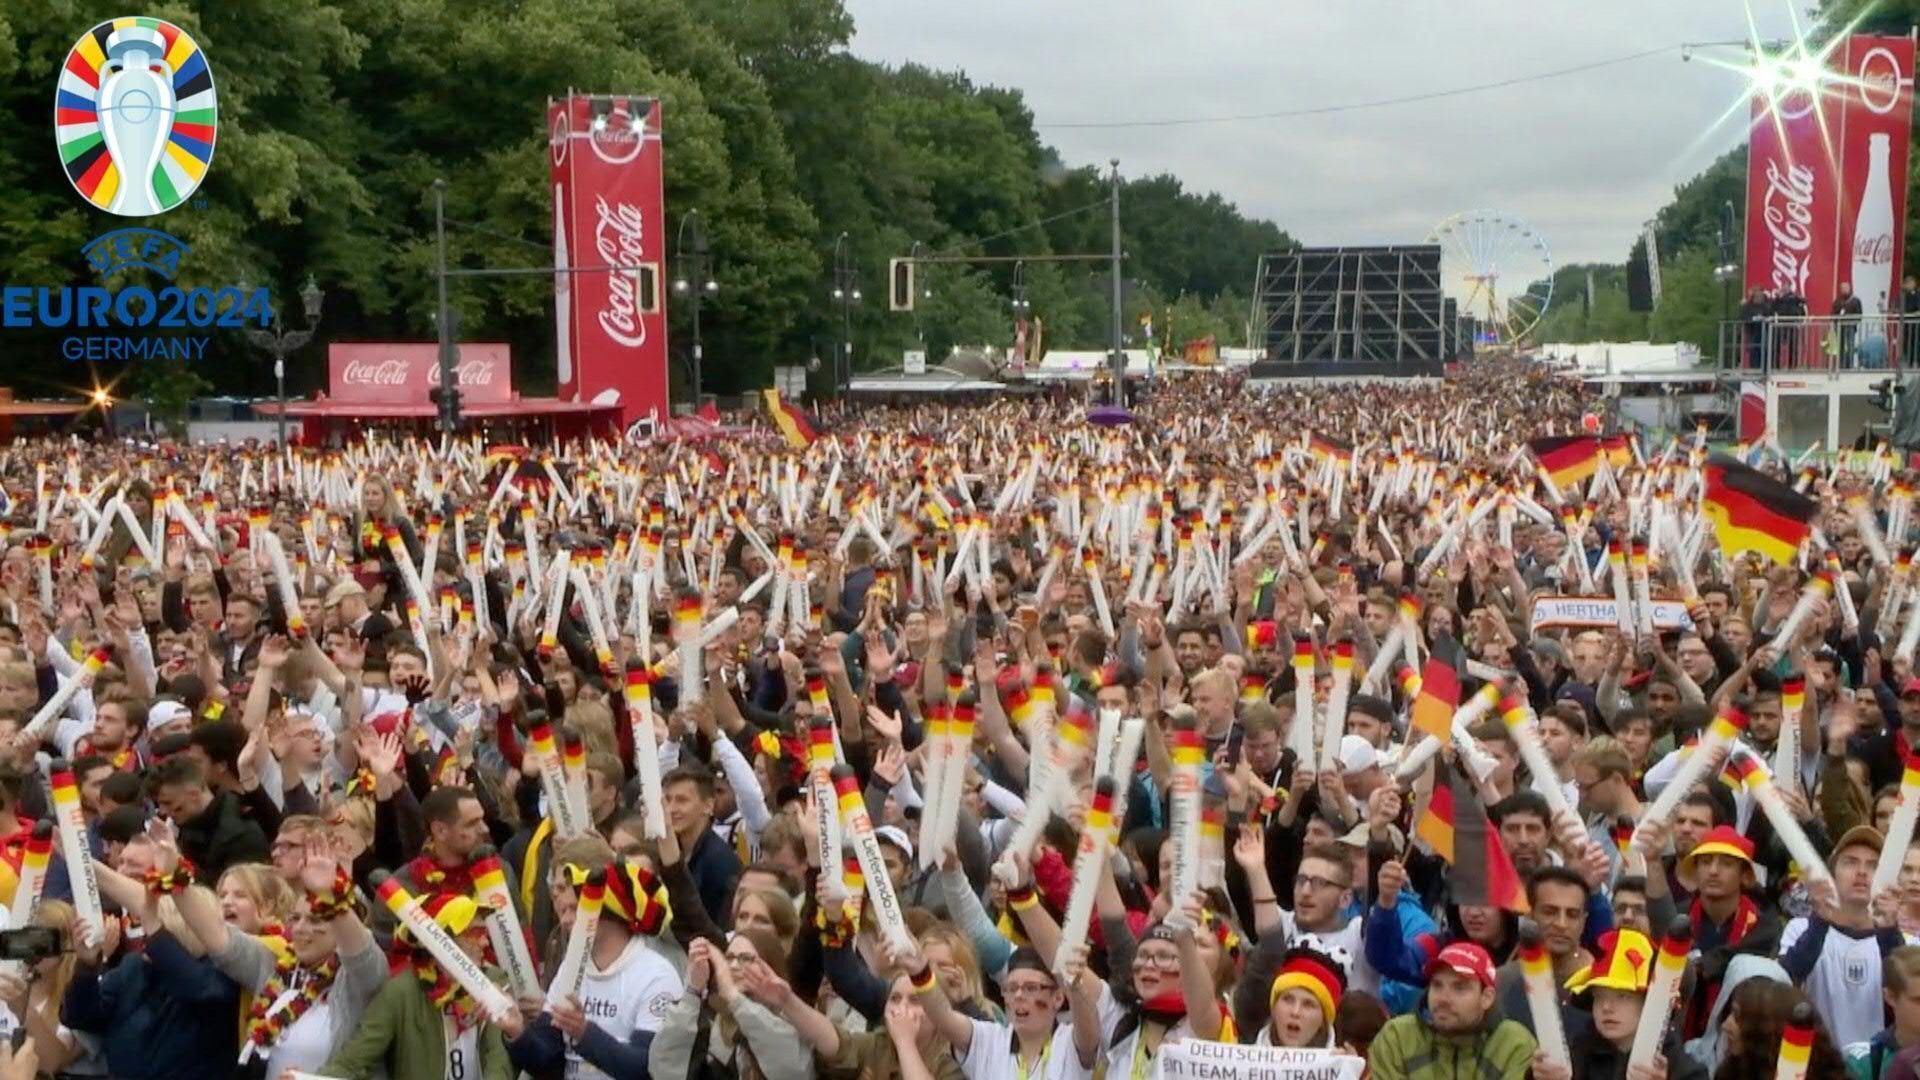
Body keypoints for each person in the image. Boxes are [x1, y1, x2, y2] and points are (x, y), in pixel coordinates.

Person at [318, 891, 516, 1080]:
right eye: (475, 933)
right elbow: (352, 1062)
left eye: (485, 932)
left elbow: (500, 1064)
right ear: (443, 941)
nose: (485, 942)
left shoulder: (496, 984)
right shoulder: (401, 992)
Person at [1530, 927, 1704, 1080]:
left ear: (1648, 1002)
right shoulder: (1575, 1054)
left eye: (1622, 996)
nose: (1606, 1007)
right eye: (1599, 996)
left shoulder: (1681, 1068)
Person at [1368, 942, 1537, 1080]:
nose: (1443, 998)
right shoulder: (1397, 1037)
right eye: (1437, 985)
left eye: (1459, 988)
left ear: (1487, 997)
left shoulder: (1514, 1044)